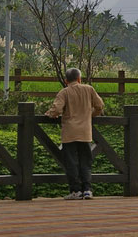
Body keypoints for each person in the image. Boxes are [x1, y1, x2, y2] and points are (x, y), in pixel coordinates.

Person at [45, 68, 104, 200]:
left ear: (66, 81)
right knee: (86, 162)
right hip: (85, 132)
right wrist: (90, 114)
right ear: (79, 79)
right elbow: (100, 105)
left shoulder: (64, 92)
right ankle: (88, 190)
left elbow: (57, 109)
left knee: (71, 162)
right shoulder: (89, 89)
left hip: (69, 133)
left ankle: (76, 191)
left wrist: (50, 114)